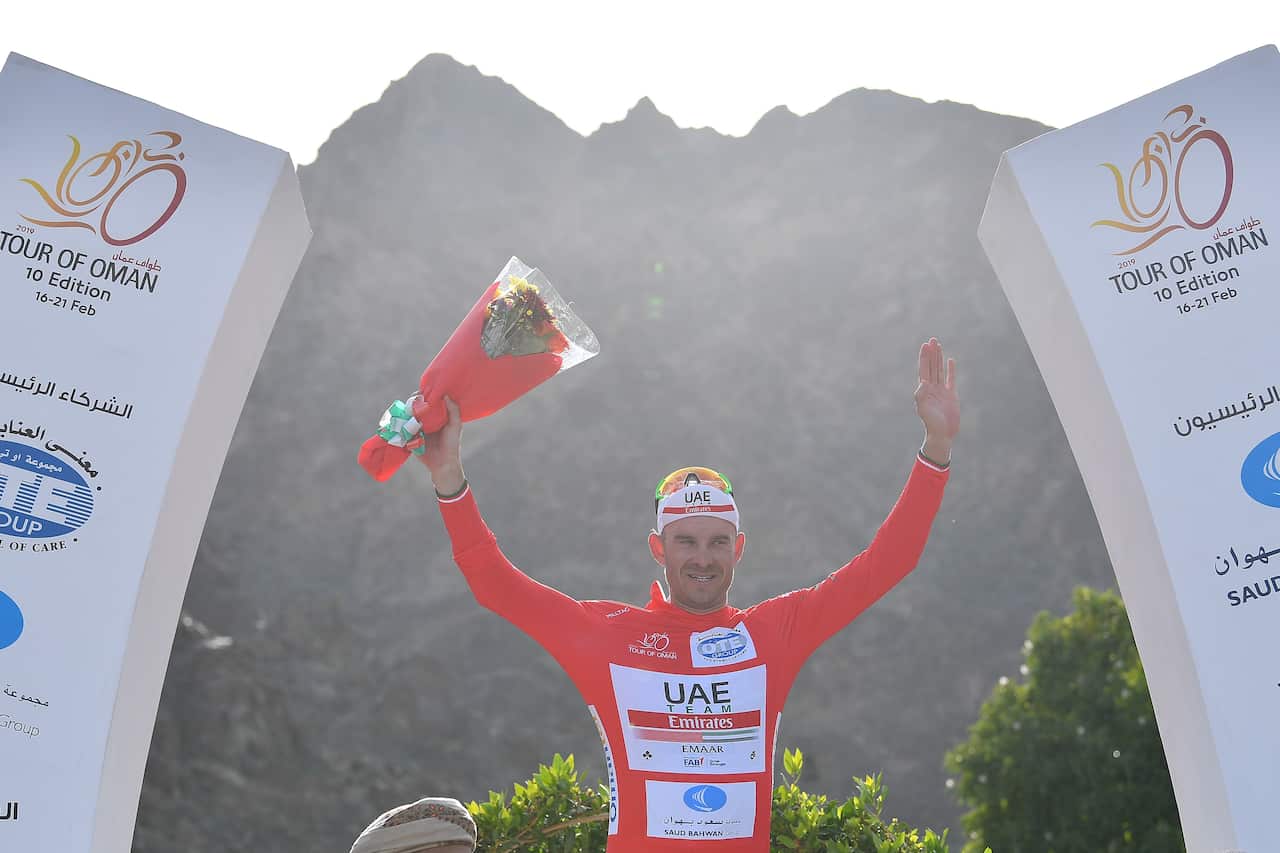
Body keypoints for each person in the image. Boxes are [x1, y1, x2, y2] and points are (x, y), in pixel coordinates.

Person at [420, 338, 959, 852]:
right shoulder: (608, 636)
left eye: (717, 542)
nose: (703, 557)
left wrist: (936, 449)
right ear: (658, 547)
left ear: (739, 548)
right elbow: (493, 583)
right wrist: (449, 479)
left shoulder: (773, 634)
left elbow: (889, 563)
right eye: (686, 541)